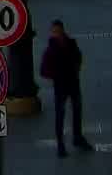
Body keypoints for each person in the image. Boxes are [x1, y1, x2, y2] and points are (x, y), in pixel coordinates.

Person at [40, 20, 90, 156]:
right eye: (54, 32)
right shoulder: (50, 50)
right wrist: (56, 74)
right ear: (52, 33)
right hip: (61, 86)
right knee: (60, 115)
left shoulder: (71, 43)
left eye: (58, 31)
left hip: (73, 83)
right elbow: (43, 71)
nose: (57, 34)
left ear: (63, 30)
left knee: (77, 110)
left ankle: (77, 137)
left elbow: (79, 56)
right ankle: (61, 144)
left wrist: (76, 67)